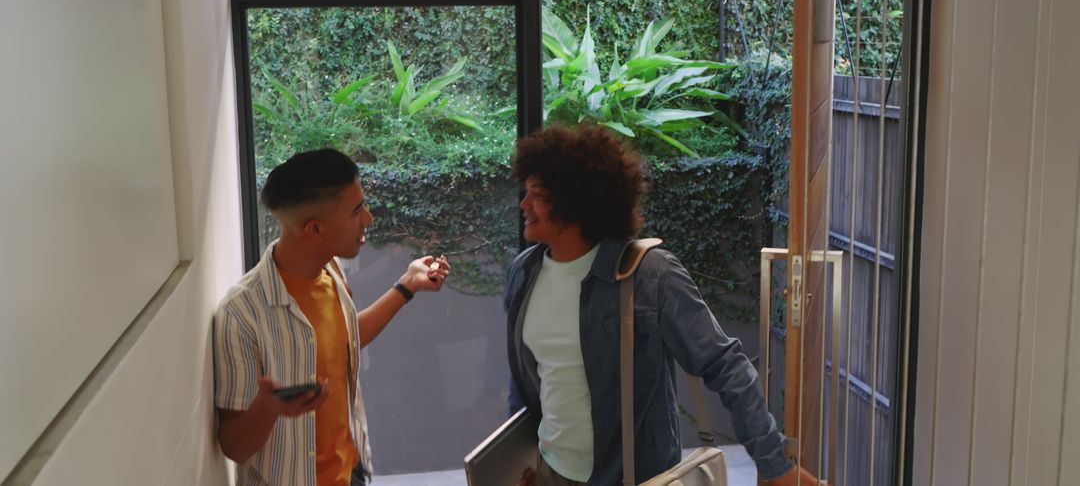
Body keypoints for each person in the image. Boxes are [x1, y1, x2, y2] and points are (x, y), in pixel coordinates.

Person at [505, 124, 814, 485]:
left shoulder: (650, 275)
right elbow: (528, 377)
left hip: (633, 477)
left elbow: (726, 366)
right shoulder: (523, 273)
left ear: (576, 202)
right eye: (525, 192)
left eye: (537, 195)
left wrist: (775, 464)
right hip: (549, 472)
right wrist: (522, 457)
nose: (524, 205)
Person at [213, 148, 450, 486]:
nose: (367, 218)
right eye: (356, 210)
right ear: (314, 229)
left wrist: (407, 286)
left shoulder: (331, 271)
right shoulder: (241, 315)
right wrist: (267, 409)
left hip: (351, 473)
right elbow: (233, 446)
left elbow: (346, 338)